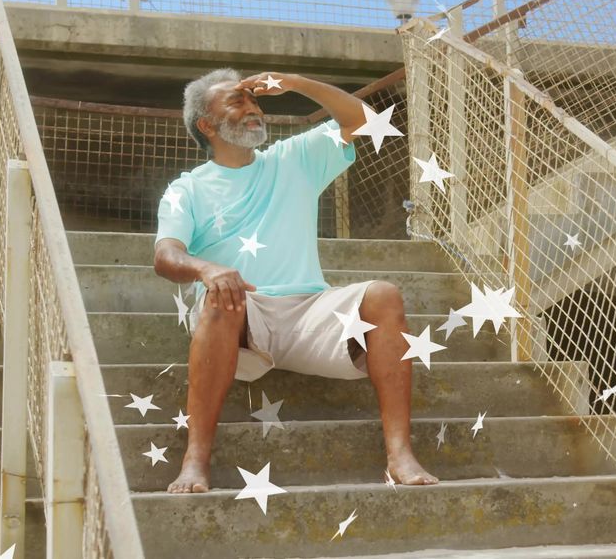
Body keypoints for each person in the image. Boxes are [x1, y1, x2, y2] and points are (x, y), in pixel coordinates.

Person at [153, 68, 438, 493]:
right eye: (237, 102)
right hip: (243, 319)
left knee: (383, 295)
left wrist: (298, 84)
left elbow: (362, 119)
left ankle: (399, 454)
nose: (252, 108)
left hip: (311, 315)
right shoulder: (187, 189)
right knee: (219, 297)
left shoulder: (292, 159)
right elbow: (166, 255)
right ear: (207, 125)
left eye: (253, 101)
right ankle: (195, 460)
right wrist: (206, 269)